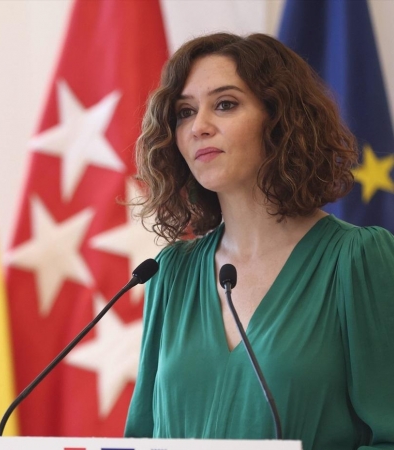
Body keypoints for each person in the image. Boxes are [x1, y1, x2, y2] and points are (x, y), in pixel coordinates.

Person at [124, 33, 394, 450]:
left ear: (280, 119)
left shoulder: (356, 261)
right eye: (184, 112)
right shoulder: (170, 274)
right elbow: (140, 439)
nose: (199, 127)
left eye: (225, 104)